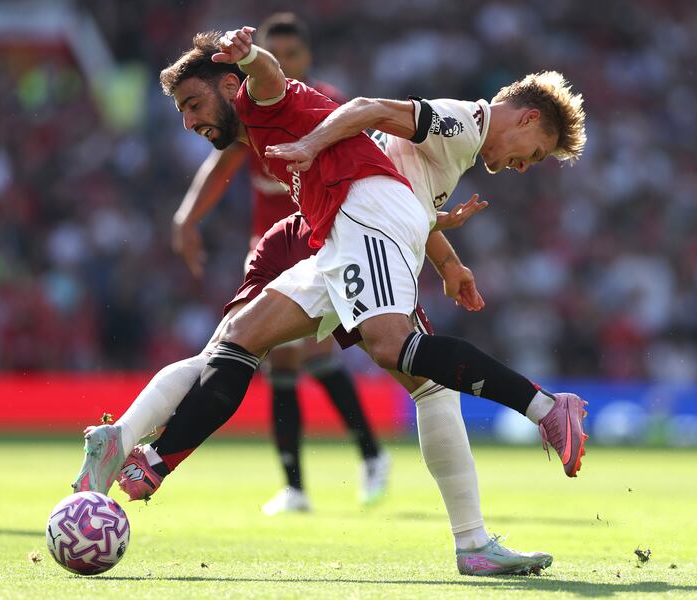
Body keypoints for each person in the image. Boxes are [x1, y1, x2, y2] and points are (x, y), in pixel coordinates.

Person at [74, 26, 588, 575]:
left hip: (356, 222)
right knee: (279, 346)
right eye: (530, 156)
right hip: (348, 224)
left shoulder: (453, 130)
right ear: (529, 119)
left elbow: (292, 93)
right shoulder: (462, 123)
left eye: (192, 106)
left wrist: (445, 255)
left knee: (373, 358)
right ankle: (139, 449)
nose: (514, 166)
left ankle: (531, 430)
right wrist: (286, 105)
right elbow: (360, 121)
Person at [171, 12, 386, 514]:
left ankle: (340, 468)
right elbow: (219, 165)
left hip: (322, 232)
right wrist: (185, 220)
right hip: (270, 242)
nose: (283, 63)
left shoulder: (321, 103)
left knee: (312, 354)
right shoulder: (245, 110)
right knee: (284, 358)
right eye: (276, 54)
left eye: (292, 55)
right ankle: (311, 480)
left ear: (306, 59)